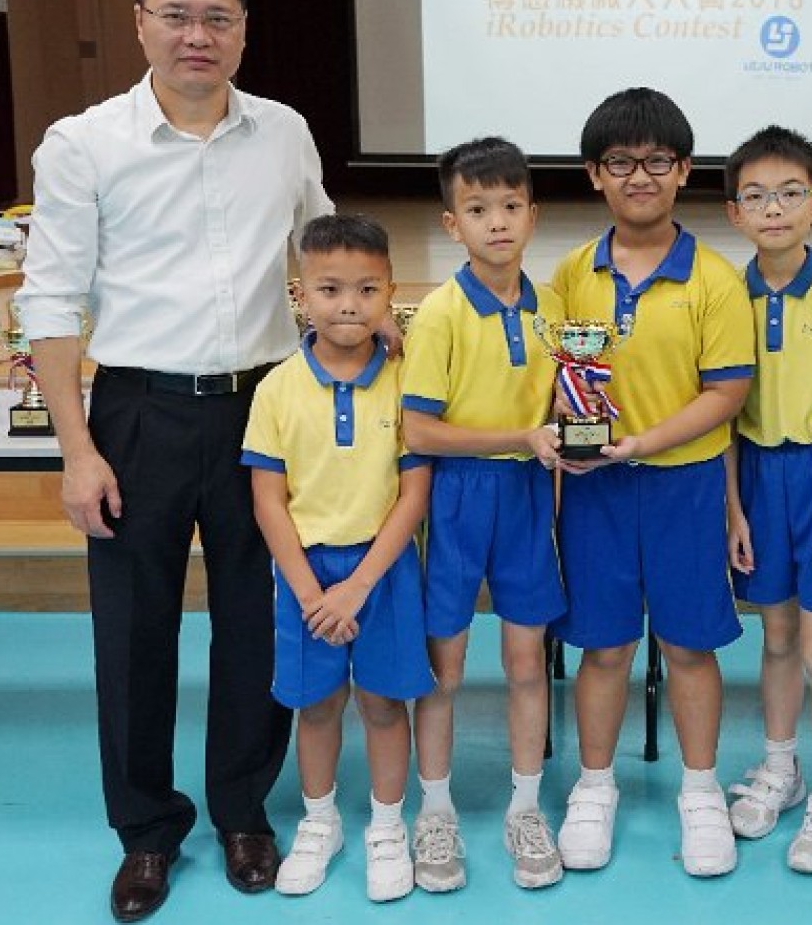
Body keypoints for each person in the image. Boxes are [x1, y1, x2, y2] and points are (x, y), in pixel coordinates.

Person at [15, 0, 333, 923]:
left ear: (243, 30)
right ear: (141, 22)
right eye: (178, 15)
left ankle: (243, 810)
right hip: (137, 413)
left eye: (218, 18)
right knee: (133, 630)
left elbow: (323, 252)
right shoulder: (84, 143)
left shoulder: (284, 133)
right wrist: (78, 450)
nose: (199, 36)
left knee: (257, 618)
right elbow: (50, 301)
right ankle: (147, 830)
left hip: (264, 407)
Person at [548, 87, 755, 878]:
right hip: (596, 491)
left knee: (690, 645)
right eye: (621, 161)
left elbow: (726, 391)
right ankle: (593, 787)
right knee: (603, 646)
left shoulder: (714, 278)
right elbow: (566, 372)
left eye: (657, 160)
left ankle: (700, 792)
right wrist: (572, 431)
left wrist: (641, 443)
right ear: (594, 173)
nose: (640, 176)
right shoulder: (574, 271)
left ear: (685, 170)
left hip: (684, 486)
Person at [242, 213, 433, 904]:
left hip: (383, 571)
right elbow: (269, 502)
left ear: (390, 294)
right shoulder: (276, 389)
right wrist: (310, 592)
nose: (349, 305)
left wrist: (357, 586)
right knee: (317, 705)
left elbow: (414, 495)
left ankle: (386, 826)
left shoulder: (406, 381)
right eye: (330, 289)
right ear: (301, 294)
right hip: (305, 577)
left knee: (383, 703)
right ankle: (319, 823)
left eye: (366, 289)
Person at [399, 137, 568, 892]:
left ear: (532, 214)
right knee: (446, 665)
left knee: (528, 661)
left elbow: (561, 399)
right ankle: (434, 811)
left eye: (509, 206)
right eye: (477, 209)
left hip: (528, 495)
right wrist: (518, 436)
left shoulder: (552, 306)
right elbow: (419, 431)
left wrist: (567, 418)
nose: (496, 222)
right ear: (451, 223)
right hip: (458, 496)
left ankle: (525, 807)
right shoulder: (440, 314)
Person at [718, 125, 812, 874]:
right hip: (755, 480)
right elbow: (722, 415)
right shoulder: (725, 295)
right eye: (755, 196)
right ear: (734, 213)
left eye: (788, 193)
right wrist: (733, 511)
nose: (772, 208)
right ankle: (782, 766)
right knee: (776, 638)